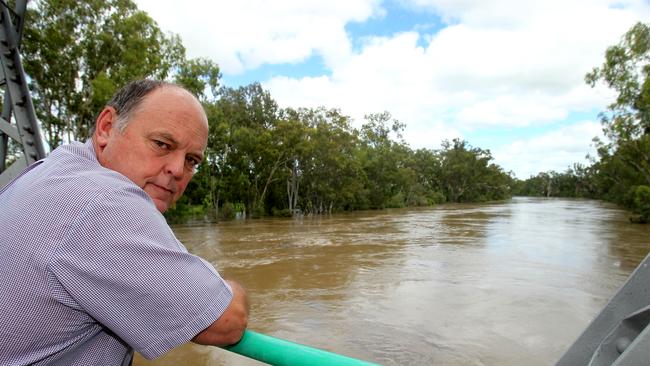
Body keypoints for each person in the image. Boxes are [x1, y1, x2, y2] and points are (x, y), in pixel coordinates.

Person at [0, 79, 249, 365]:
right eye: (162, 144)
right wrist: (229, 288)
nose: (178, 170)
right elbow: (227, 321)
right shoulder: (106, 201)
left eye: (192, 160)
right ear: (106, 127)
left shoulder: (49, 171)